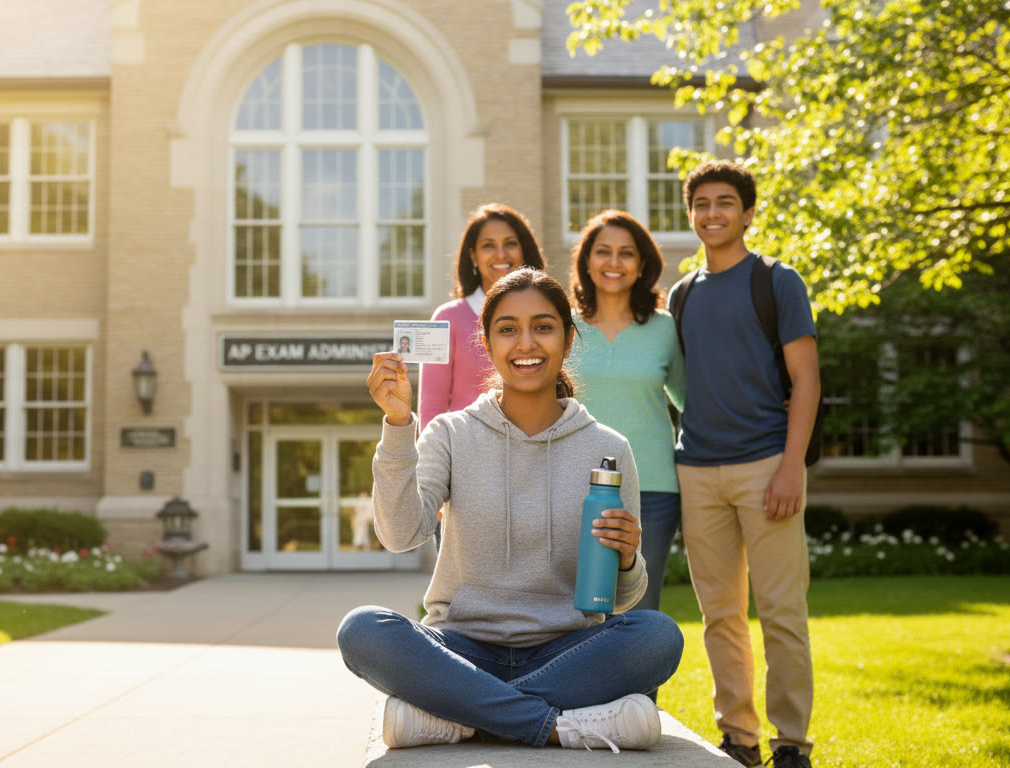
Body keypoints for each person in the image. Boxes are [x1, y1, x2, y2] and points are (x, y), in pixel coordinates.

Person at [338, 268, 684, 752]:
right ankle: (557, 724)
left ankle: (460, 717)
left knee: (658, 636)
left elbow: (621, 599)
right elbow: (400, 534)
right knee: (362, 629)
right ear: (487, 342)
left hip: (567, 649)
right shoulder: (450, 434)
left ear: (568, 338)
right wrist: (398, 424)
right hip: (460, 649)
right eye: (507, 329)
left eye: (543, 326)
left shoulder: (609, 448)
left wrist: (627, 561)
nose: (527, 343)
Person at [669, 160, 820, 768]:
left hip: (767, 466)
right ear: (691, 214)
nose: (712, 213)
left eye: (725, 202)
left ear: (748, 212)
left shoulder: (776, 281)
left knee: (783, 611)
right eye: (701, 203)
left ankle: (791, 742)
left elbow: (806, 381)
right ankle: (739, 737)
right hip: (697, 471)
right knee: (720, 615)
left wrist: (791, 467)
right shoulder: (681, 296)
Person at [568, 209, 685, 622]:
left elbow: (692, 402)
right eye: (603, 252)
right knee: (573, 608)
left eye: (626, 253)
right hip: (572, 483)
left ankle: (639, 692)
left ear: (642, 265)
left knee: (639, 611)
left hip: (652, 488)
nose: (614, 263)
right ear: (586, 262)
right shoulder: (566, 327)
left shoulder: (665, 329)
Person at [417, 203, 546, 426]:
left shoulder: (548, 316)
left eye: (510, 244)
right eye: (489, 246)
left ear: (524, 251)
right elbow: (430, 409)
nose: (501, 254)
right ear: (473, 257)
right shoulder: (444, 319)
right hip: (464, 455)